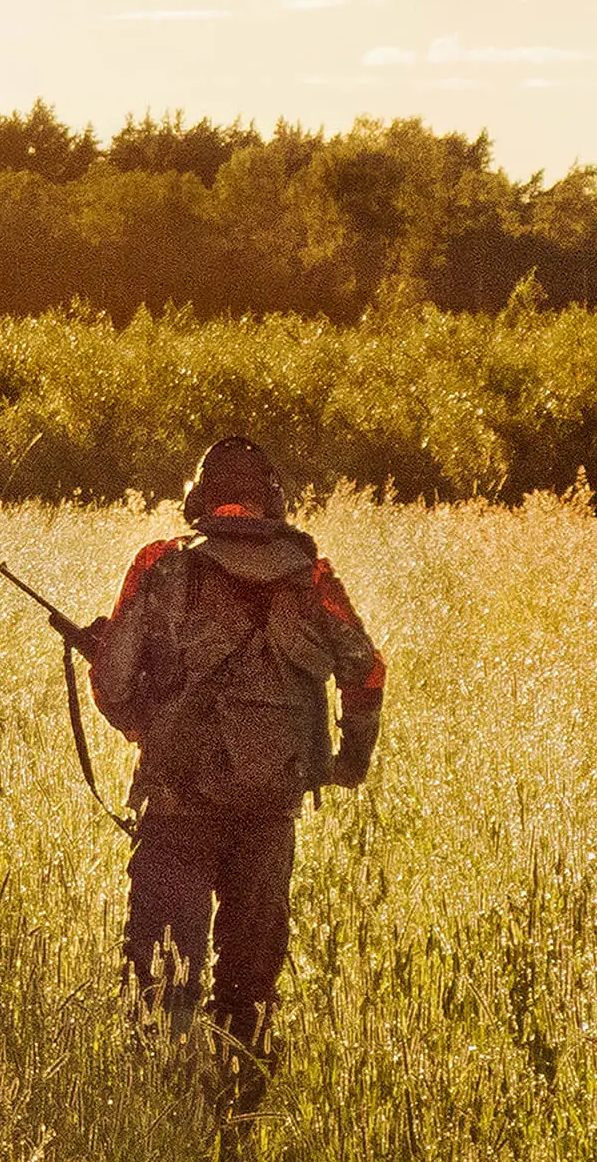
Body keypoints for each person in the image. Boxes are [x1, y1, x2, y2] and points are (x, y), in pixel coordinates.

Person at [77, 434, 386, 1082]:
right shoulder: (313, 578)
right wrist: (347, 763)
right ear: (272, 499)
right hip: (270, 816)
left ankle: (164, 1125)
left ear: (200, 498)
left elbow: (109, 682)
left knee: (163, 992)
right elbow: (367, 670)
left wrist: (149, 729)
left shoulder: (163, 564)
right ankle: (239, 1129)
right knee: (249, 998)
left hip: (177, 809)